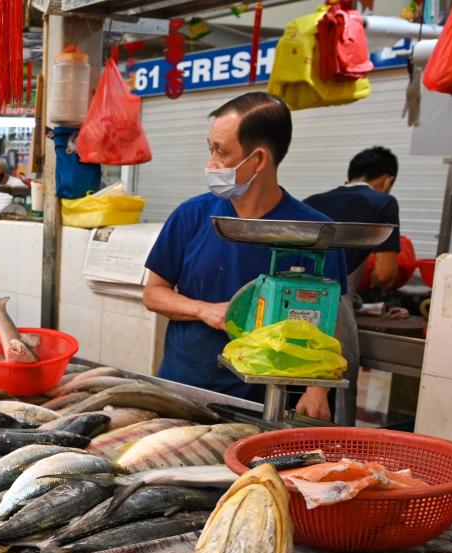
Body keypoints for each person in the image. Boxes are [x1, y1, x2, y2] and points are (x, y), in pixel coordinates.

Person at [143, 92, 347, 421]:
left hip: (265, 403)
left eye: (220, 152)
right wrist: (204, 310)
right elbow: (154, 294)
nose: (210, 163)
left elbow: (328, 323)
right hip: (182, 391)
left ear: (258, 160)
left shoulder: (315, 232)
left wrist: (318, 389)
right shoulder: (191, 215)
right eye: (210, 148)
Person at [304, 146, 402, 426]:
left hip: (292, 301)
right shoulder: (383, 202)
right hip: (335, 300)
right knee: (336, 386)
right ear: (387, 180)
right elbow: (385, 273)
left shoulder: (312, 201)